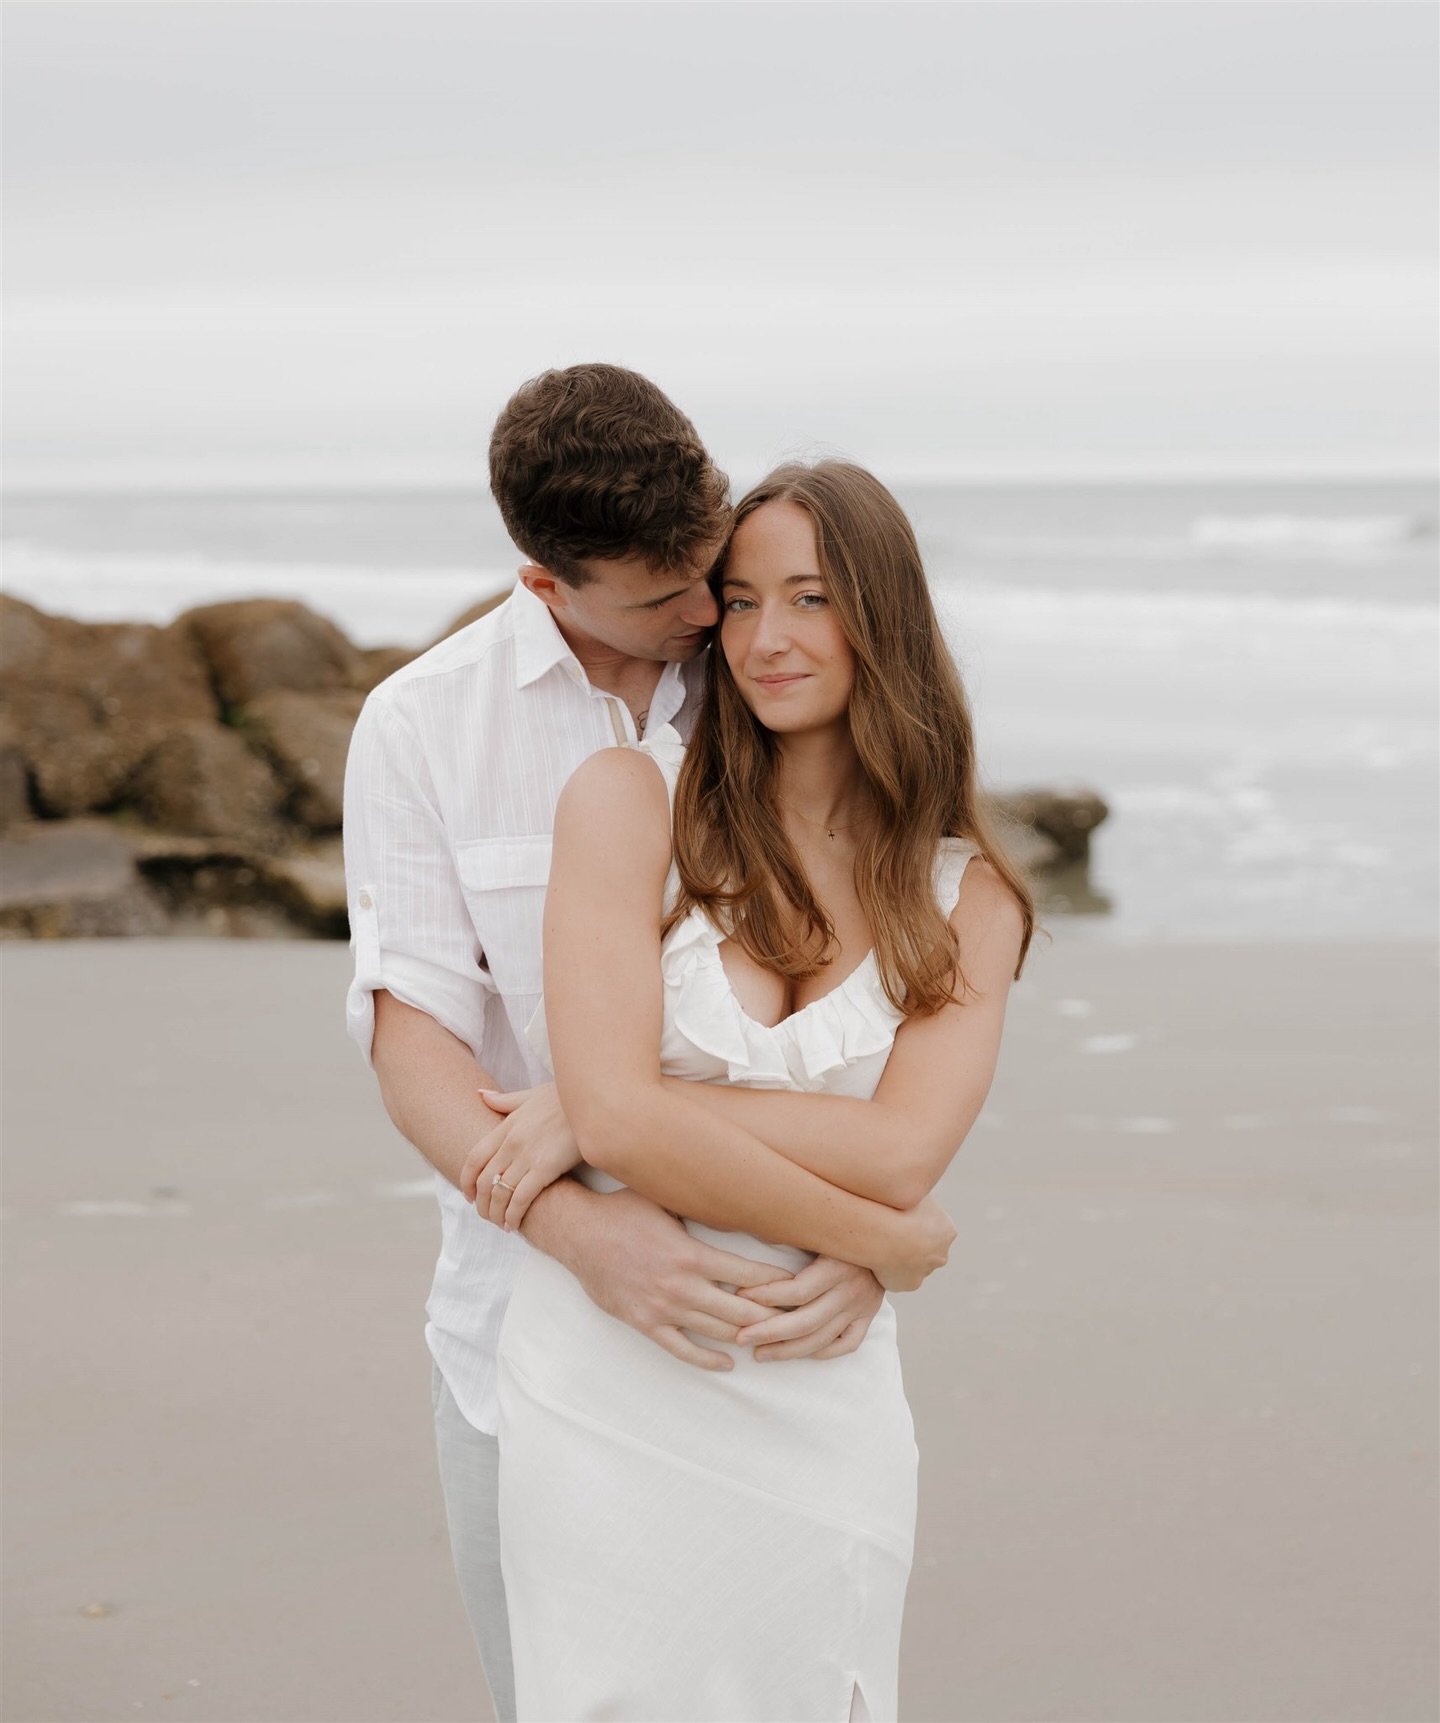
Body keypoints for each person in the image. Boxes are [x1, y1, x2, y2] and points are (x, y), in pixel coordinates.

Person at [342, 369, 932, 1723]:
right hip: (525, 1316)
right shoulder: (427, 725)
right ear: (549, 585)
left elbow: (871, 992)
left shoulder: (768, 683)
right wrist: (583, 1226)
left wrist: (861, 1232)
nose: (706, 614)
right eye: (666, 596)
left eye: (712, 570)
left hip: (782, 1299)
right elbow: (415, 1042)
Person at [464, 460, 1035, 1721]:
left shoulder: (966, 896)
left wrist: (637, 1103)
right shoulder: (627, 806)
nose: (768, 638)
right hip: (610, 1372)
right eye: (738, 600)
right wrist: (886, 1241)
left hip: (820, 1380)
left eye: (812, 597)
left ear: (882, 617)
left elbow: (897, 1152)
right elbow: (630, 1123)